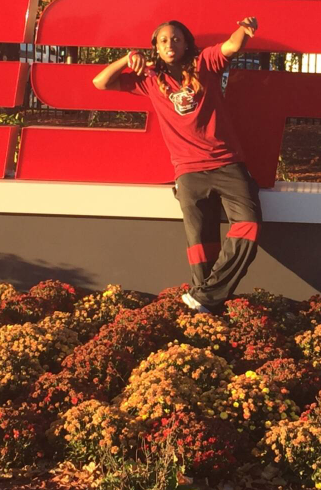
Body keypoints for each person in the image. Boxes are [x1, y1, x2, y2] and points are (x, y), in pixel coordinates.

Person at [93, 17, 262, 314]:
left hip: (227, 163)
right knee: (200, 244)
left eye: (176, 39)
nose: (170, 44)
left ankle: (204, 296)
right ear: (156, 48)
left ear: (186, 44)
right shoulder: (148, 79)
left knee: (249, 226)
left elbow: (232, 46)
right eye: (163, 40)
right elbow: (100, 82)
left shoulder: (205, 63)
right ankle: (206, 308)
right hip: (188, 171)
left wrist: (244, 29)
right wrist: (127, 59)